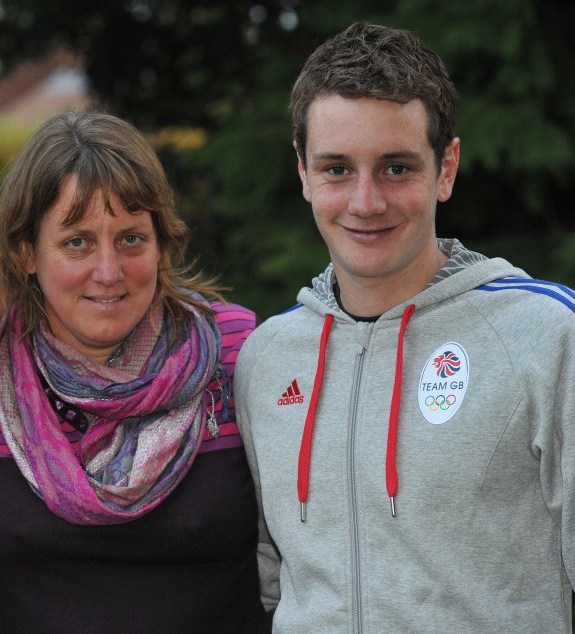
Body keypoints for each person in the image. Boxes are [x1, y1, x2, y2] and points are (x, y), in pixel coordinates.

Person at [236, 21, 574, 631]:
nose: (366, 202)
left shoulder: (547, 338)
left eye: (396, 168)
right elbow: (271, 581)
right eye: (337, 168)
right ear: (303, 172)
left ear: (446, 169)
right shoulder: (267, 358)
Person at [0, 111, 269, 632]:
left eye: (132, 239)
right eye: (76, 242)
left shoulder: (239, 356)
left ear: (161, 242)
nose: (108, 272)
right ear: (26, 251)